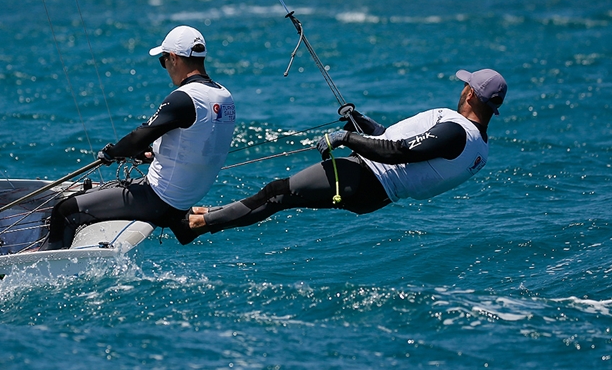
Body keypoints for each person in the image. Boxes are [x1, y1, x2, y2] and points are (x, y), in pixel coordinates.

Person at [181, 68, 508, 243]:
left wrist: (347, 138)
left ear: (469, 92)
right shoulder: (480, 148)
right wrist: (360, 122)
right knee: (281, 199)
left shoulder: (456, 131)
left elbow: (399, 153)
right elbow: (390, 139)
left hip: (366, 178)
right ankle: (207, 215)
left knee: (277, 192)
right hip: (374, 194)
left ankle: (197, 224)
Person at [41, 25, 236, 249]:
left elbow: (137, 138)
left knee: (65, 210)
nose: (165, 67)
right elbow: (200, 146)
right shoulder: (224, 96)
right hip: (185, 198)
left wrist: (112, 153)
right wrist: (153, 155)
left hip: (160, 198)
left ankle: (51, 268)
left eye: (163, 60)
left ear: (173, 58)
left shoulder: (185, 98)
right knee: (92, 192)